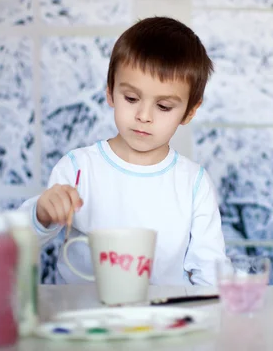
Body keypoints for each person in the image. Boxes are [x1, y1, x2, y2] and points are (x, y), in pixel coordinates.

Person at [18, 17, 226, 286]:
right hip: (83, 320)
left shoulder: (194, 183)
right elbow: (12, 243)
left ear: (190, 112)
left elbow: (210, 272)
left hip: (160, 321)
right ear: (110, 92)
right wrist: (41, 214)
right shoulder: (78, 168)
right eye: (131, 98)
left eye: (163, 106)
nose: (143, 115)